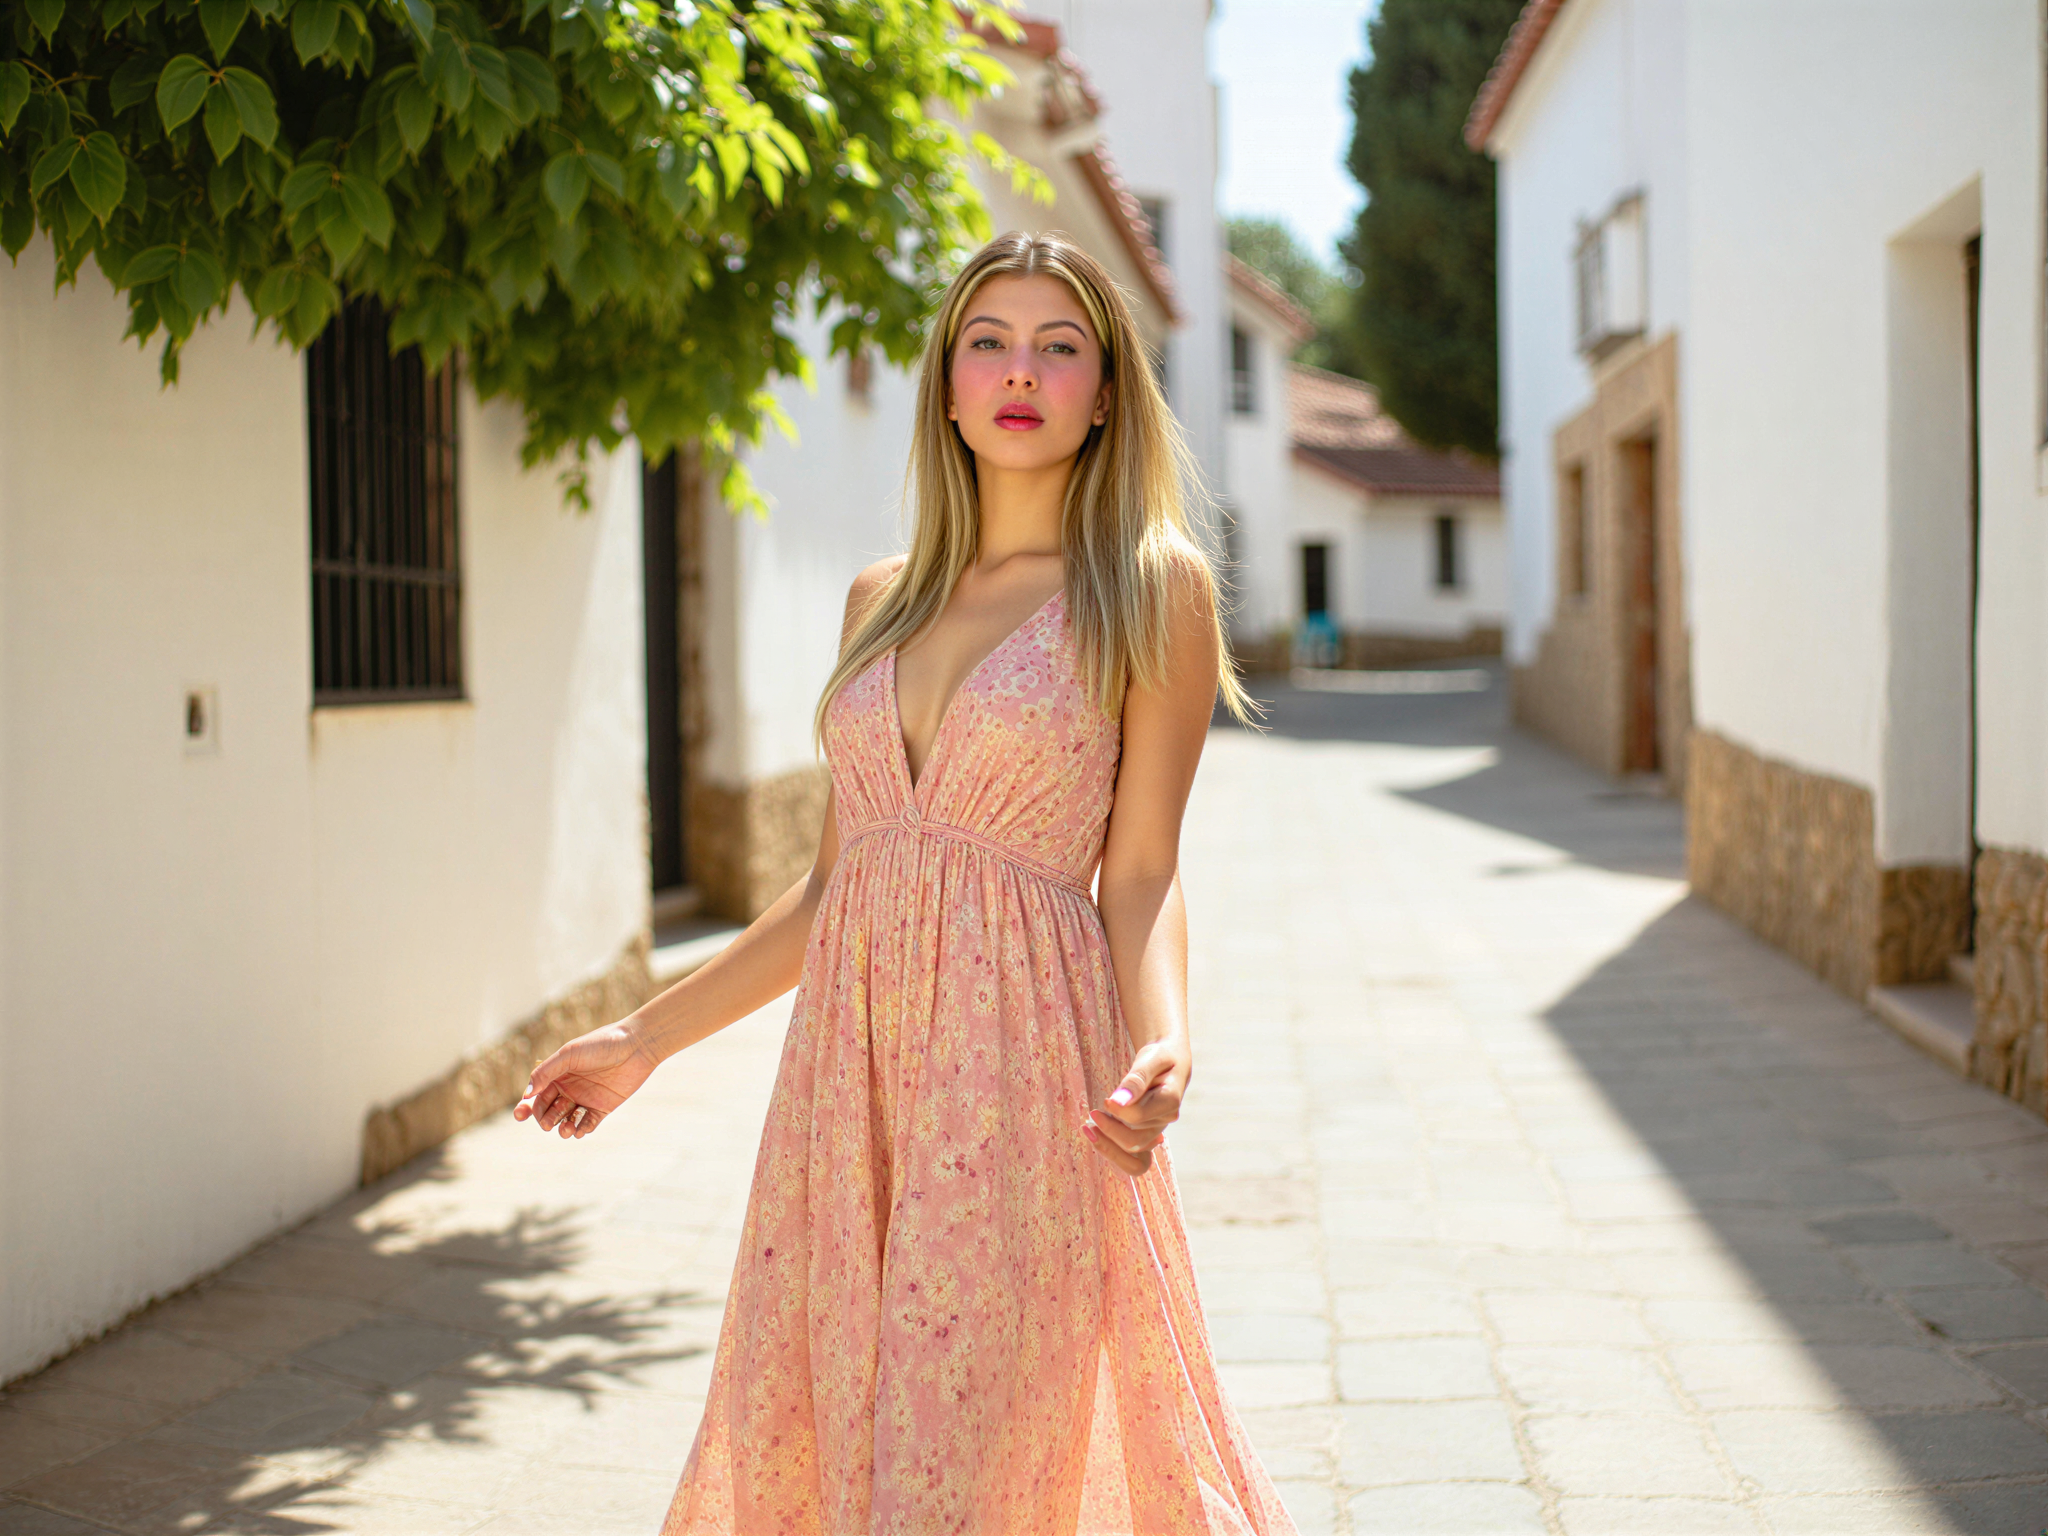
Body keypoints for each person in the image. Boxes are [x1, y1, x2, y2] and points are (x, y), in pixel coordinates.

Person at [516, 231, 1298, 1536]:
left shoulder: (1152, 591)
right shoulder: (880, 598)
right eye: (988, 342)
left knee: (971, 1447)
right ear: (944, 385)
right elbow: (837, 890)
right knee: (835, 1432)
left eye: (1061, 347)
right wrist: (640, 1039)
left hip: (1024, 1077)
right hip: (848, 1083)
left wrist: (1165, 1042)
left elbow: (1144, 867)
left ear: (1108, 393)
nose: (1020, 372)